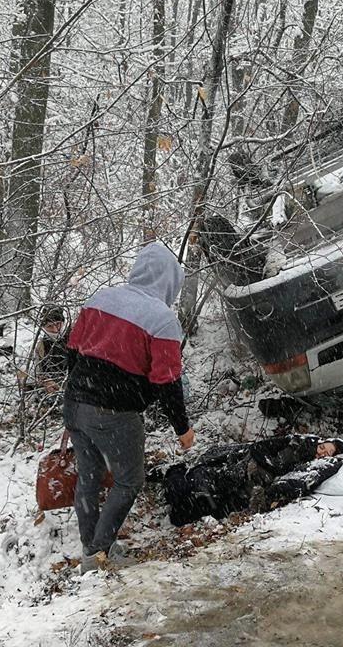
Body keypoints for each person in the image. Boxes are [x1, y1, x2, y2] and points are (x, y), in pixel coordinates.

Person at [62, 243, 196, 574]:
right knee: (129, 480)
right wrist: (183, 428)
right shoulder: (162, 320)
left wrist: (80, 395)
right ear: (169, 281)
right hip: (115, 412)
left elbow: (72, 353)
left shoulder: (100, 298)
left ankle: (90, 547)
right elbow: (167, 382)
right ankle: (98, 553)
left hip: (76, 402)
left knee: (89, 477)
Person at [162, 434, 343, 526]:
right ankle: (173, 479)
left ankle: (179, 501)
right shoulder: (296, 441)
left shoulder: (310, 468)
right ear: (321, 442)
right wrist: (269, 465)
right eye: (323, 448)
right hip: (244, 466)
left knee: (210, 503)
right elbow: (260, 447)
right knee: (205, 480)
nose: (321, 454)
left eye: (326, 455)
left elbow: (289, 483)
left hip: (250, 486)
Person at [34, 304, 72, 395]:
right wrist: (47, 381)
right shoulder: (41, 346)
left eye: (58, 324)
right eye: (50, 326)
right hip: (56, 388)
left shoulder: (75, 336)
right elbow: (40, 371)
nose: (55, 329)